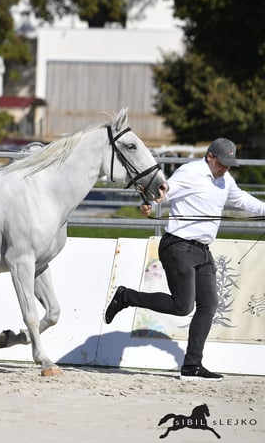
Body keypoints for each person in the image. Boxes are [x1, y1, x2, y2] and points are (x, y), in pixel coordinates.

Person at [104, 138, 265, 381]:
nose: (225, 168)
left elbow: (241, 199)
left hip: (202, 250)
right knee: (183, 307)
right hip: (178, 246)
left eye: (229, 164)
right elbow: (163, 191)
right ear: (210, 156)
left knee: (209, 305)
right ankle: (126, 296)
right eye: (222, 162)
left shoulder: (225, 180)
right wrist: (149, 203)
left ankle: (192, 365)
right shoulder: (191, 172)